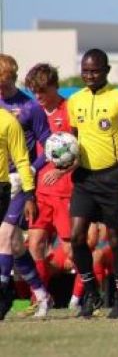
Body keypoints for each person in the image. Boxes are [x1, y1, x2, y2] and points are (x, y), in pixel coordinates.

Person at [68, 48, 118, 319]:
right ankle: (91, 293)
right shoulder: (74, 100)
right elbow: (73, 137)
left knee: (115, 239)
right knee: (76, 237)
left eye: (95, 71)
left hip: (113, 177)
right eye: (85, 71)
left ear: (107, 71)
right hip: (84, 178)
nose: (90, 75)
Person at [0, 54, 52, 318]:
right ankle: (42, 295)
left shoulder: (30, 107)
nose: (1, 89)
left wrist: (31, 169)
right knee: (16, 245)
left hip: (20, 181)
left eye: (4, 83)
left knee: (5, 234)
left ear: (12, 78)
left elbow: (49, 145)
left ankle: (3, 293)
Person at [24, 63, 74, 308]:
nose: (38, 96)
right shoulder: (33, 112)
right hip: (41, 192)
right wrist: (29, 192)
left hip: (66, 191)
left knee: (71, 250)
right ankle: (40, 299)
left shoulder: (70, 110)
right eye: (34, 91)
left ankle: (85, 296)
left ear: (55, 86)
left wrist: (63, 170)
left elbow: (81, 150)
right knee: (34, 244)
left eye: (42, 90)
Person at [0, 106, 37, 320]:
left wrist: (30, 194)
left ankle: (4, 293)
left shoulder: (8, 121)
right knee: (13, 244)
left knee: (4, 239)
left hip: (4, 188)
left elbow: (22, 160)